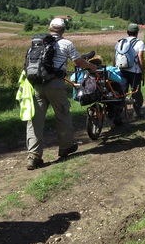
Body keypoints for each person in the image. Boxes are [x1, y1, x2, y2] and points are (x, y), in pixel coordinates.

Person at [26, 18, 98, 170]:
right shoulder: (66, 44)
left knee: (35, 121)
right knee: (62, 114)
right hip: (55, 84)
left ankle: (33, 156)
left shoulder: (38, 42)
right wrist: (92, 67)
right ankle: (65, 147)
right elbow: (78, 62)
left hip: (37, 84)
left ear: (50, 28)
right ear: (63, 30)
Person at [118, 23, 145, 119]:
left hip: (121, 70)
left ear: (127, 32)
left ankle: (118, 115)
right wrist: (143, 72)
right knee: (136, 92)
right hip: (134, 72)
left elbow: (115, 58)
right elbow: (141, 59)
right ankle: (137, 112)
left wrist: (115, 69)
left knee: (121, 93)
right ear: (137, 32)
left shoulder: (120, 42)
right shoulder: (139, 43)